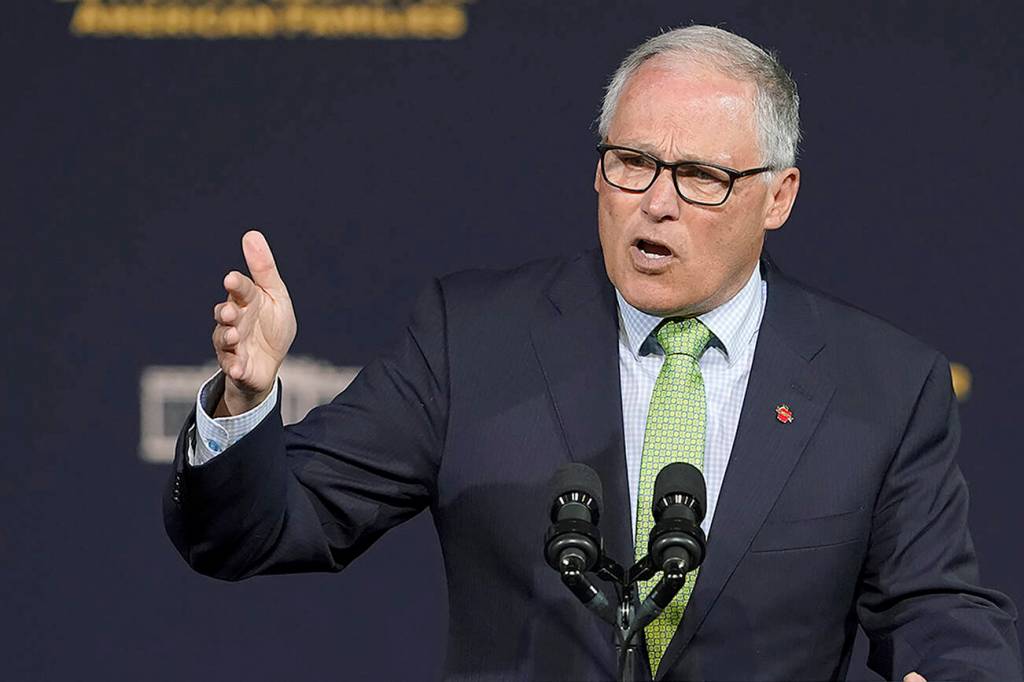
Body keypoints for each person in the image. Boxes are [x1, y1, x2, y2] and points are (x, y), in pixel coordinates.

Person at [164, 25, 1022, 681]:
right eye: (631, 163)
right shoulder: (474, 339)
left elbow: (936, 606)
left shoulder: (882, 384)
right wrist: (245, 403)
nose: (656, 203)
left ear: (778, 197)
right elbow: (256, 531)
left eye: (701, 177)